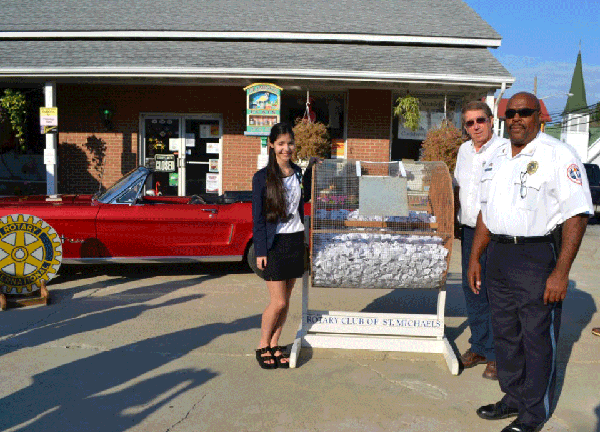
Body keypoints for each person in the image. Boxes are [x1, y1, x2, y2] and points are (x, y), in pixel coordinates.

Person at [468, 92, 593, 432]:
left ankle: (534, 413)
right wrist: (476, 257)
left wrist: (561, 272)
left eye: (525, 113)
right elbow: (485, 211)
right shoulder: (495, 157)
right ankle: (513, 397)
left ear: (539, 116)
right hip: (498, 255)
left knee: (536, 339)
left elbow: (577, 216)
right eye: (511, 114)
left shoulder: (557, 155)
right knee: (506, 335)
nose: (517, 119)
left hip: (536, 257)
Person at [251, 122, 316, 369]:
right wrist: (261, 251)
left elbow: (305, 196)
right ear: (271, 145)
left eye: (289, 143)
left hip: (295, 240)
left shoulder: (297, 173)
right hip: (275, 243)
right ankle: (262, 344)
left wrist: (310, 168)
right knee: (277, 302)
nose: (286, 148)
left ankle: (276, 343)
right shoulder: (261, 178)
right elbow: (257, 218)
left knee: (286, 302)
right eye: (281, 144)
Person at [454, 100, 508, 380]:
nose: (476, 127)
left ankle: (499, 355)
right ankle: (480, 346)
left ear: (491, 121)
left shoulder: (504, 151)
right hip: (468, 229)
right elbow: (458, 187)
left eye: (480, 121)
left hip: (494, 231)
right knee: (471, 288)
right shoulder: (464, 151)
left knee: (492, 291)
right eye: (470, 123)